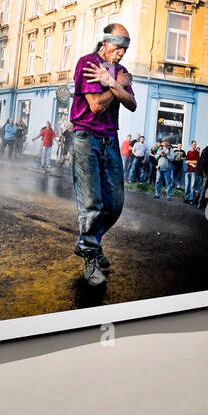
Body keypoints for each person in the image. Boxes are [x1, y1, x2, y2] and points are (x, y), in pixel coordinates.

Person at [69, 23, 137, 285]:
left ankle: (89, 243)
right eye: (118, 46)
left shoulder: (121, 72)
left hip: (110, 139)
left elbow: (131, 103)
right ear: (105, 42)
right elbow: (96, 106)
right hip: (87, 138)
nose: (121, 53)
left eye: (125, 48)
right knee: (92, 205)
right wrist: (115, 86)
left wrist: (112, 82)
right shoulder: (87, 63)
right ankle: (91, 259)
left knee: (115, 204)